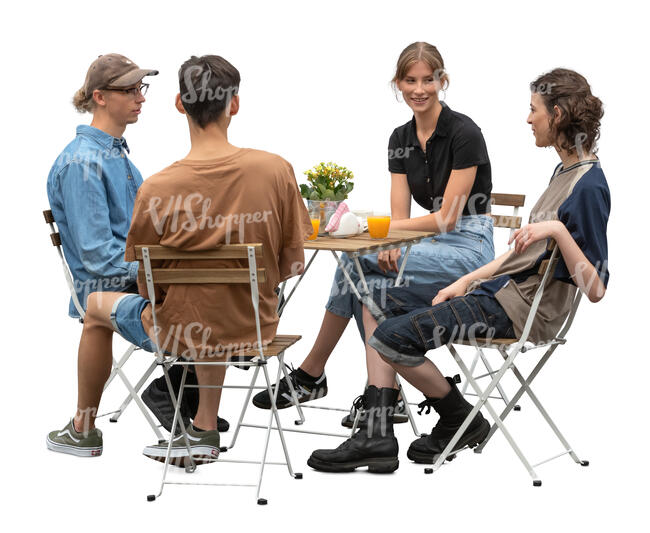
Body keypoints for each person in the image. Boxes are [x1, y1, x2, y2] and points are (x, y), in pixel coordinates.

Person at [307, 67, 609, 473]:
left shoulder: (588, 185)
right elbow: (523, 255)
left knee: (391, 338)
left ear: (557, 115)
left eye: (533, 109)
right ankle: (376, 434)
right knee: (371, 292)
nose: (528, 118)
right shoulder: (564, 173)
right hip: (494, 294)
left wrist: (554, 228)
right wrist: (468, 280)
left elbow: (595, 288)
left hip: (519, 311)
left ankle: (461, 418)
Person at [46, 54, 312, 464]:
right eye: (130, 89)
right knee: (210, 293)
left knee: (132, 306)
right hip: (255, 323)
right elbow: (295, 265)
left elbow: (154, 275)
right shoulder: (277, 168)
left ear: (179, 104)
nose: (139, 98)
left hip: (179, 325)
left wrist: (184, 267)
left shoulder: (158, 183)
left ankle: (84, 427)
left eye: (141, 89)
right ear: (235, 104)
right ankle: (200, 420)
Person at [253, 42, 495, 428]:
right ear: (397, 83)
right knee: (366, 281)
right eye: (410, 80)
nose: (419, 89)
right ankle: (382, 398)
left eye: (428, 80)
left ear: (441, 81)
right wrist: (389, 244)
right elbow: (400, 210)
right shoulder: (400, 138)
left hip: (469, 248)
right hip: (427, 244)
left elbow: (447, 219)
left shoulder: (465, 132)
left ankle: (314, 373)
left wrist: (378, 232)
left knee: (354, 264)